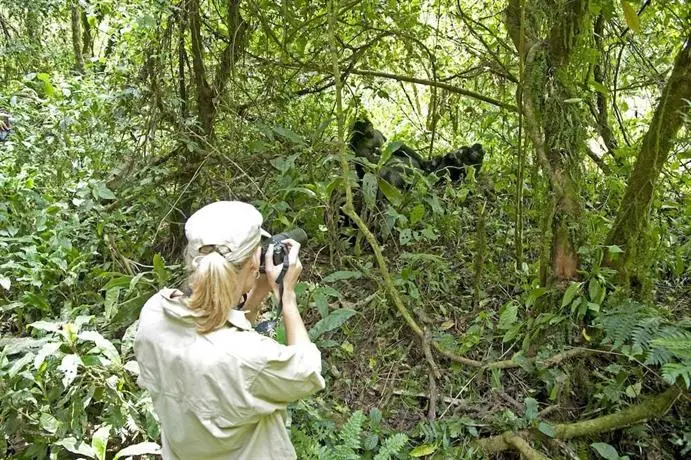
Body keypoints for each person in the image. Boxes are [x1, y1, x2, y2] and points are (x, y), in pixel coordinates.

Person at [134, 201, 325, 459]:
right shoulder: (246, 357)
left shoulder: (154, 313)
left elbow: (216, 327)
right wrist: (286, 295)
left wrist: (255, 296)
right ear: (254, 261)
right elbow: (308, 371)